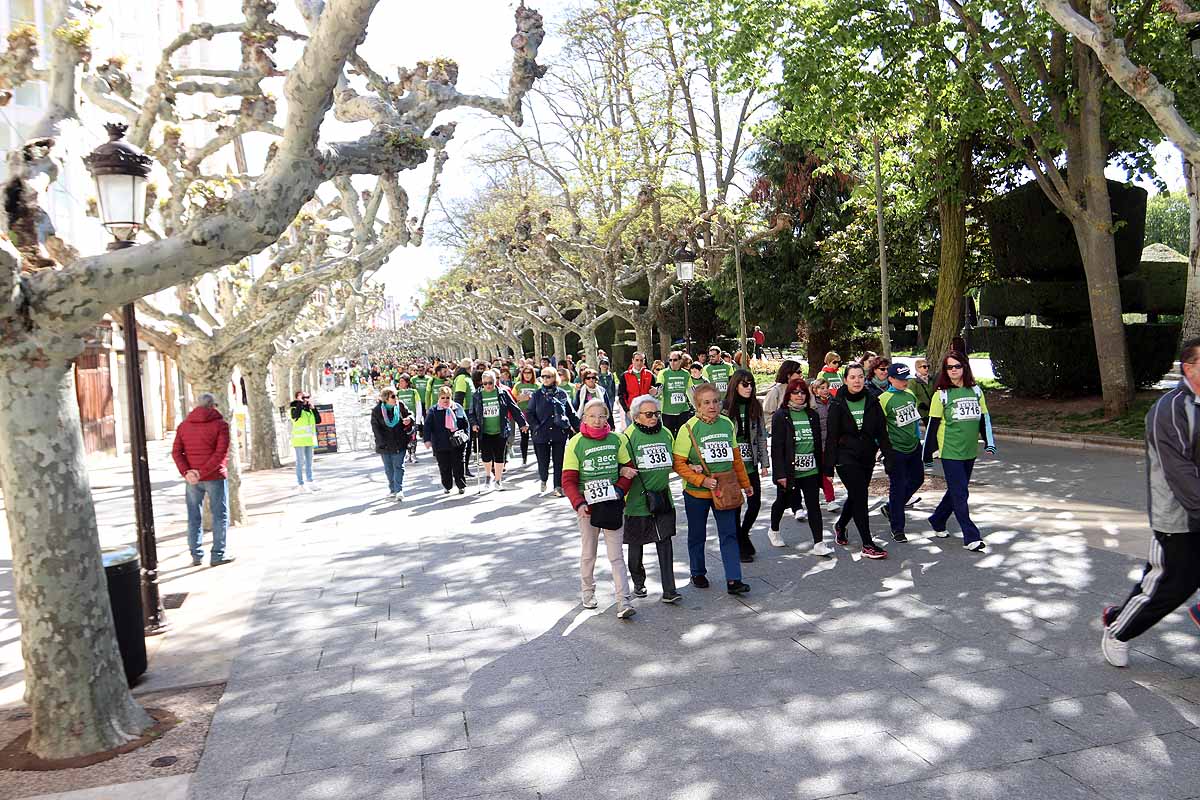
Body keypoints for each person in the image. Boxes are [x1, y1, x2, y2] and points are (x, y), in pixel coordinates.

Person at [1101, 339, 1200, 667]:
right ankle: (1118, 629)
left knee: (1161, 580)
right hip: (1178, 516)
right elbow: (1180, 474)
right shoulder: (1170, 409)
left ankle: (1119, 614)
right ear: (1189, 368)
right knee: (1170, 585)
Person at [673, 382, 753, 595]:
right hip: (696, 493)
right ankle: (697, 571)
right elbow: (678, 463)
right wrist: (701, 480)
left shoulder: (727, 424)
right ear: (697, 406)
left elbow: (736, 459)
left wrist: (746, 484)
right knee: (697, 534)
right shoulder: (688, 428)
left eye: (715, 401)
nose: (712, 406)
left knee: (729, 534)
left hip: (725, 490)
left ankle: (734, 579)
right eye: (706, 402)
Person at [562, 398, 638, 619]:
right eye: (592, 416)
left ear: (607, 417)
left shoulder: (617, 439)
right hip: (587, 507)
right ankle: (587, 592)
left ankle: (623, 601)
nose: (597, 420)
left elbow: (629, 469)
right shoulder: (576, 443)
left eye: (602, 416)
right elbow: (568, 480)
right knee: (589, 553)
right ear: (584, 418)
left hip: (612, 505)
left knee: (616, 556)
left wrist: (619, 490)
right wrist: (579, 503)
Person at [921, 352, 996, 551]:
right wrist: (927, 455)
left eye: (957, 366)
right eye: (949, 367)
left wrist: (990, 442)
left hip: (970, 451)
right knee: (961, 492)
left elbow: (984, 418)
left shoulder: (976, 391)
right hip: (950, 452)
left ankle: (937, 519)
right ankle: (971, 536)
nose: (953, 370)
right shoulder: (941, 395)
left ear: (964, 367)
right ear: (945, 371)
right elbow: (932, 426)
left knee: (956, 491)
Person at [824, 363, 890, 559]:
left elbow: (882, 432)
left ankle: (841, 525)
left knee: (855, 495)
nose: (857, 381)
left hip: (867, 455)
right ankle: (867, 544)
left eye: (860, 376)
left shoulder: (872, 400)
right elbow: (831, 437)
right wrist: (828, 468)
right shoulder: (837, 404)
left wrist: (889, 456)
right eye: (852, 377)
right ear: (845, 380)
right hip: (845, 457)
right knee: (860, 496)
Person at [621, 394, 682, 604]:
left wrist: (689, 467)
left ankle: (669, 589)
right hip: (637, 501)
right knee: (636, 546)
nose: (654, 417)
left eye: (656, 413)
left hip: (663, 498)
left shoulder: (665, 433)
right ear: (636, 416)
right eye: (649, 414)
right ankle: (638, 581)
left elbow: (675, 460)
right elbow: (620, 466)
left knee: (665, 542)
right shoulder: (627, 437)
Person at [769, 377, 830, 555]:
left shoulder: (812, 414)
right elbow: (777, 448)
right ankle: (773, 530)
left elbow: (818, 443)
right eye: (795, 392)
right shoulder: (781, 415)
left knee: (814, 506)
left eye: (803, 392)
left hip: (811, 470)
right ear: (788, 394)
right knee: (782, 502)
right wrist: (780, 473)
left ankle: (819, 543)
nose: (799, 396)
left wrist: (824, 468)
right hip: (790, 471)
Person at [172, 393, 234, 567]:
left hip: (192, 478)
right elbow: (220, 453)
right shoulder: (221, 425)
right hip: (214, 476)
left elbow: (177, 452)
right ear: (213, 405)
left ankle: (196, 555)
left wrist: (187, 473)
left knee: (193, 516)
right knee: (220, 515)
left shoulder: (184, 426)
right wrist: (202, 472)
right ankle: (218, 554)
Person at [725, 369, 770, 563]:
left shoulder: (755, 406)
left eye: (751, 384)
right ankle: (740, 545)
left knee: (755, 503)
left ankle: (743, 535)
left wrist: (765, 463)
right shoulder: (724, 408)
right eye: (745, 384)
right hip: (732, 467)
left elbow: (761, 436)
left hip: (750, 465)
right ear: (735, 386)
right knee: (735, 507)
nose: (749, 387)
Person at [878, 363, 924, 542]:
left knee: (918, 479)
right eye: (900, 379)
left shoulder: (910, 394)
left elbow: (914, 421)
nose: (904, 382)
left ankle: (891, 508)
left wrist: (918, 440)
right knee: (897, 487)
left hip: (913, 447)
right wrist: (884, 450)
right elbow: (879, 428)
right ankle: (898, 528)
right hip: (895, 450)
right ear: (890, 379)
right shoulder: (884, 399)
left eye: (906, 378)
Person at [469, 370, 528, 492]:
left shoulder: (502, 393)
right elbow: (472, 413)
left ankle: (498, 479)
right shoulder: (477, 395)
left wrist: (522, 423)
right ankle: (487, 476)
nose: (488, 386)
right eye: (485, 383)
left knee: (499, 456)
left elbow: (514, 408)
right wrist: (474, 424)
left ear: (495, 382)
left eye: (490, 383)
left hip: (500, 430)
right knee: (486, 456)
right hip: (484, 431)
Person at [526, 367, 580, 496]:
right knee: (543, 462)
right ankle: (543, 479)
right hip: (541, 434)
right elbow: (529, 413)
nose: (545, 379)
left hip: (558, 432)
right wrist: (536, 427)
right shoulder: (537, 394)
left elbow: (571, 412)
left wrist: (579, 429)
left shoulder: (561, 394)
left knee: (559, 461)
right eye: (543, 376)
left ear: (554, 378)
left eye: (548, 376)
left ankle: (558, 486)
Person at [423, 385, 470, 495]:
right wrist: (427, 440)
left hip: (457, 443)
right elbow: (427, 426)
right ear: (439, 398)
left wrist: (466, 436)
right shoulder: (433, 410)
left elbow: (465, 423)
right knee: (444, 467)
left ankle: (461, 485)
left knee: (458, 465)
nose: (445, 400)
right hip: (440, 444)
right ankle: (447, 485)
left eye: (448, 397)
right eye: (443, 398)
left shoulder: (457, 407)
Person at [371, 388, 416, 501]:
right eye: (393, 396)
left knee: (399, 467)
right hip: (385, 444)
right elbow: (376, 429)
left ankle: (399, 490)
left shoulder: (400, 406)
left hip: (399, 441)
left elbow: (410, 414)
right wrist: (381, 443)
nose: (396, 398)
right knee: (389, 468)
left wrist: (409, 419)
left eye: (396, 395)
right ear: (386, 399)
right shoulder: (377, 411)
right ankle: (392, 489)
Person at [810, 377, 840, 512]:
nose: (825, 390)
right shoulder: (812, 406)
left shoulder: (834, 402)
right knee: (824, 473)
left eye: (826, 387)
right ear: (815, 391)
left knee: (830, 472)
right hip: (820, 444)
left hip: (834, 443)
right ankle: (829, 499)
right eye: (821, 388)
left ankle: (830, 498)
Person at [657, 351, 694, 436]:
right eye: (670, 360)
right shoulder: (663, 373)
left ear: (681, 361)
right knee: (669, 436)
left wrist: (698, 408)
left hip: (683, 411)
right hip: (667, 412)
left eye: (675, 360)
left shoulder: (686, 374)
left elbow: (691, 392)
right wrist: (656, 392)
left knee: (683, 435)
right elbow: (659, 387)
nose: (672, 362)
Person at [763, 359, 803, 435]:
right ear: (788, 375)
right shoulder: (775, 391)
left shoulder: (804, 390)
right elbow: (767, 414)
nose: (801, 375)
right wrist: (775, 430)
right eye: (798, 372)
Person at [290, 390, 319, 493]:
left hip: (309, 440)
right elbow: (296, 416)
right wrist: (299, 403)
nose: (306, 399)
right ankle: (300, 484)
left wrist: (314, 409)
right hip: (299, 440)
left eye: (307, 397)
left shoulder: (309, 410)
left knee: (309, 462)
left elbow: (318, 420)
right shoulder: (294, 408)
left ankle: (310, 481)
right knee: (300, 462)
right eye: (303, 397)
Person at [513, 365, 540, 465]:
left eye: (529, 373)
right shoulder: (518, 385)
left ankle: (539, 458)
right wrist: (519, 398)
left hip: (534, 414)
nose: (527, 375)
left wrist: (530, 397)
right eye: (525, 373)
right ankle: (524, 458)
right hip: (522, 414)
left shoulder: (537, 385)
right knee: (524, 437)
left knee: (535, 437)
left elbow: (541, 397)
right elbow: (513, 398)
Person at [394, 374, 424, 463]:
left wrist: (418, 419)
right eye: (399, 381)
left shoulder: (414, 392)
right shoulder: (397, 393)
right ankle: (407, 454)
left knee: (413, 437)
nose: (400, 383)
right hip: (403, 420)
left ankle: (413, 454)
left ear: (407, 382)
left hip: (412, 418)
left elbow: (418, 405)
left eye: (402, 381)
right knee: (404, 437)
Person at [618, 352, 657, 419]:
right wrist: (627, 411)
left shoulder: (650, 375)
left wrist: (656, 391)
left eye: (641, 360)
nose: (639, 363)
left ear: (644, 361)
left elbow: (655, 392)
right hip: (632, 411)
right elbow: (621, 395)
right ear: (632, 360)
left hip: (647, 411)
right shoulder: (624, 376)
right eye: (637, 360)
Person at [910, 357, 934, 421]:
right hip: (922, 413)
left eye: (928, 366)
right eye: (924, 367)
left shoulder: (931, 379)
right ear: (917, 368)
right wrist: (920, 403)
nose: (927, 368)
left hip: (933, 410)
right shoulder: (913, 381)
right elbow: (911, 396)